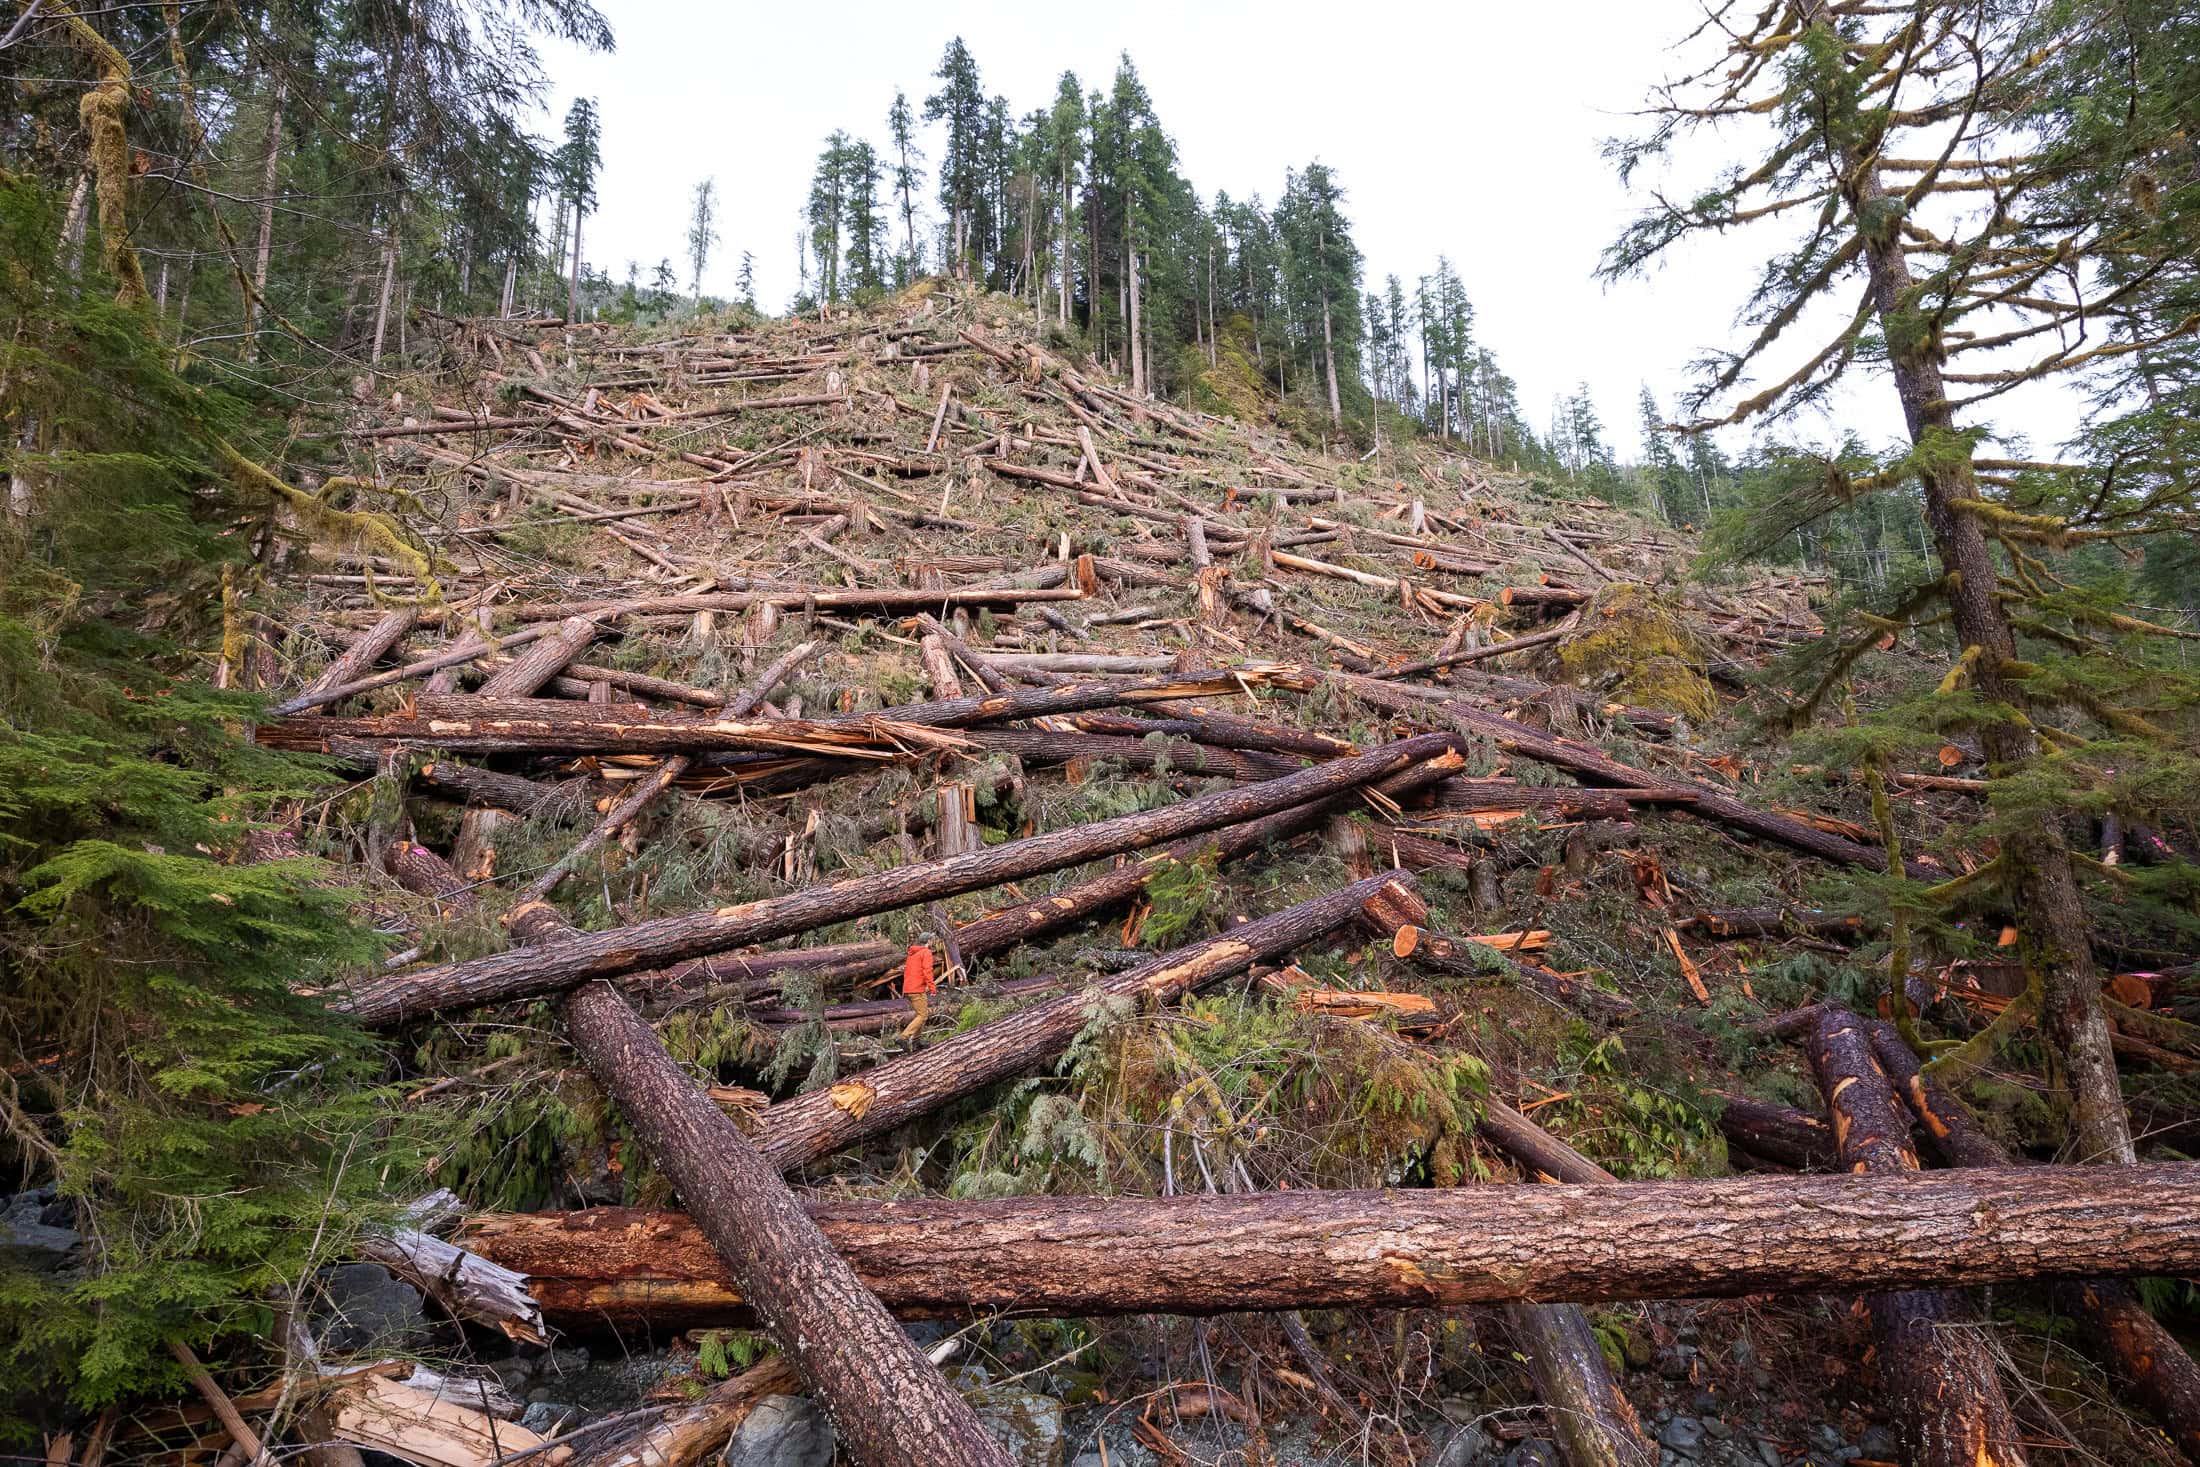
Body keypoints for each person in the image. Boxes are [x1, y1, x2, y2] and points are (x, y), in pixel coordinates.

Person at [897, 941, 936, 1041]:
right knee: (922, 1015)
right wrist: (932, 988)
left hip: (908, 989)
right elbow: (928, 971)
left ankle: (917, 1040)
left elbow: (907, 972)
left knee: (921, 1014)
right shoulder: (926, 952)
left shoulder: (912, 954)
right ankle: (903, 1037)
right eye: (932, 940)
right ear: (928, 941)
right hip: (917, 989)